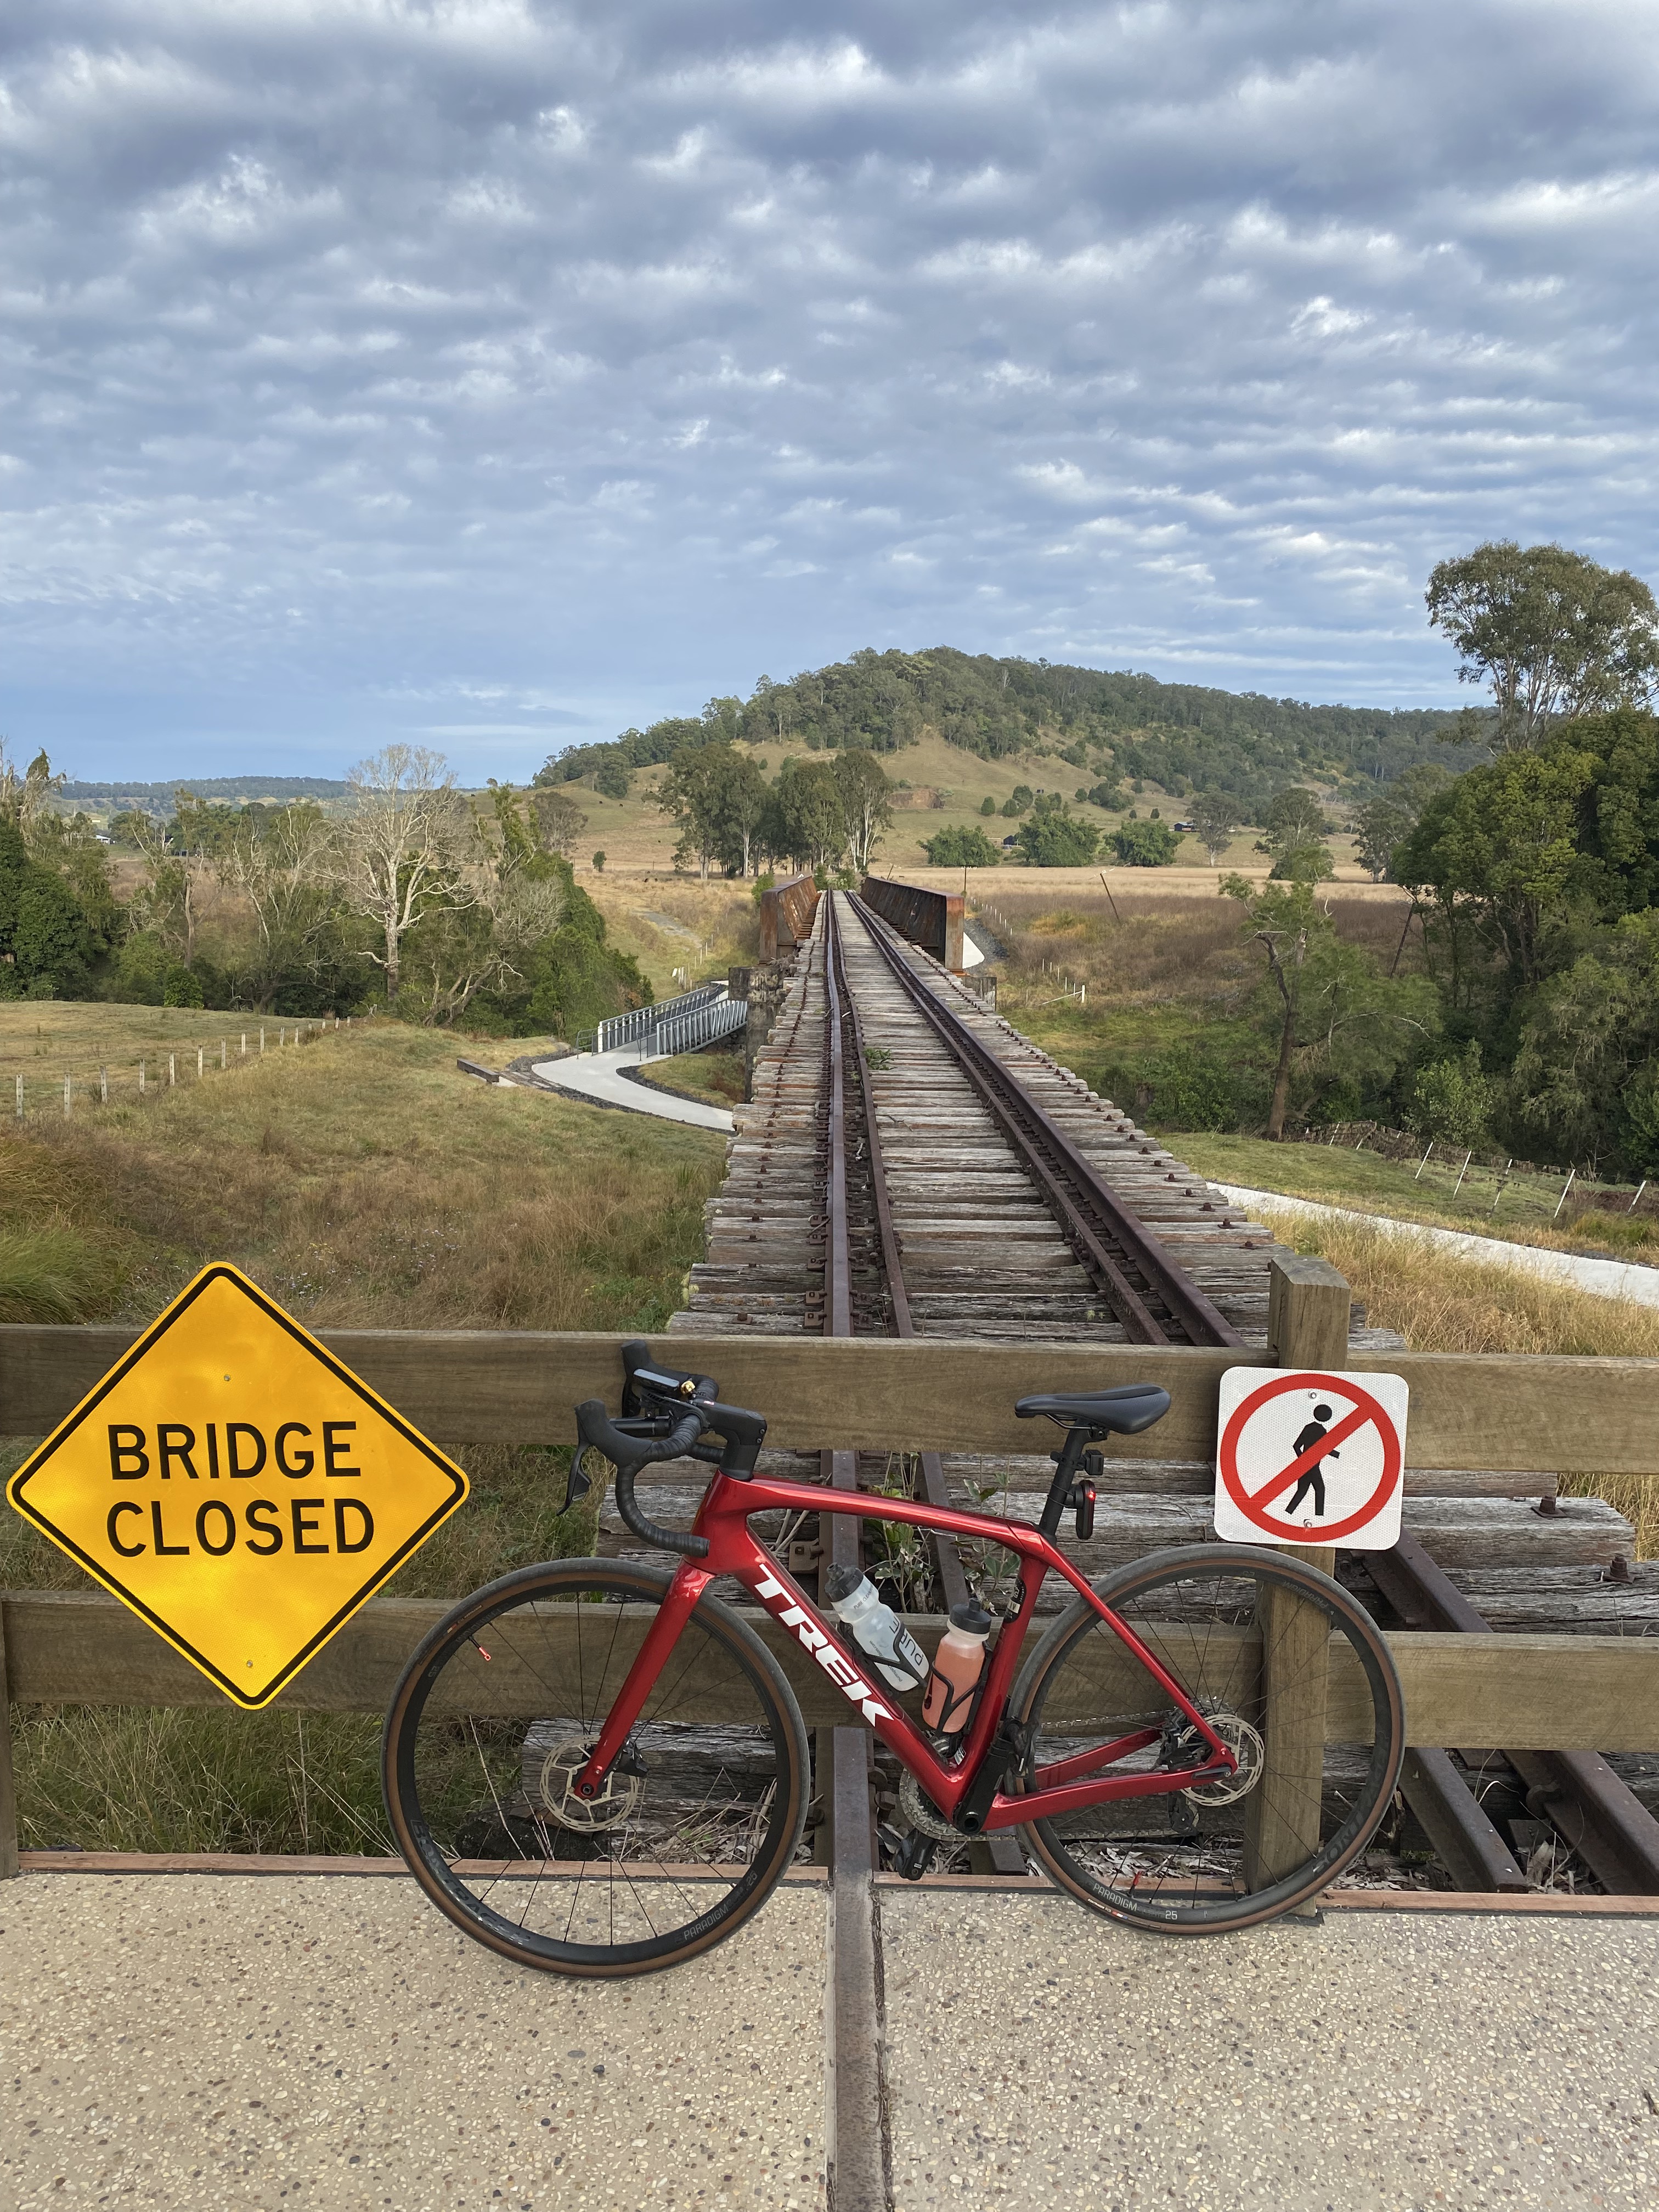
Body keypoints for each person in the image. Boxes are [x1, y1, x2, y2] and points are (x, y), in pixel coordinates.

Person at [1285, 1403, 1339, 1518]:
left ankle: (1288, 1512)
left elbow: (1296, 1446)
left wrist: (1302, 1461)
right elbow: (1324, 1449)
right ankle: (1319, 1516)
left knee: (1302, 1491)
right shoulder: (1321, 1431)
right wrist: (1338, 1455)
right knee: (1320, 1489)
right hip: (1313, 1467)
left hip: (1306, 1466)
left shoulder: (1308, 1427)